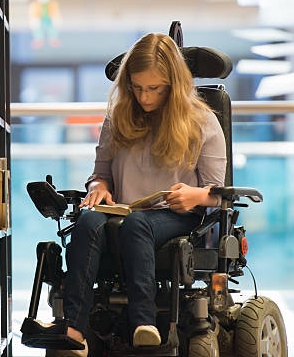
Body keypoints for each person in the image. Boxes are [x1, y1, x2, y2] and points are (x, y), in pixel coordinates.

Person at [51, 33, 226, 357]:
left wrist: (195, 196)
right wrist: (99, 187)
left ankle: (143, 324)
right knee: (87, 222)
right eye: (137, 87)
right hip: (124, 210)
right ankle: (74, 330)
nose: (144, 97)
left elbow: (218, 193)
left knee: (138, 226)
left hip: (175, 214)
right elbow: (99, 175)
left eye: (154, 88)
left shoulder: (203, 122)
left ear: (173, 85)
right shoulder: (118, 118)